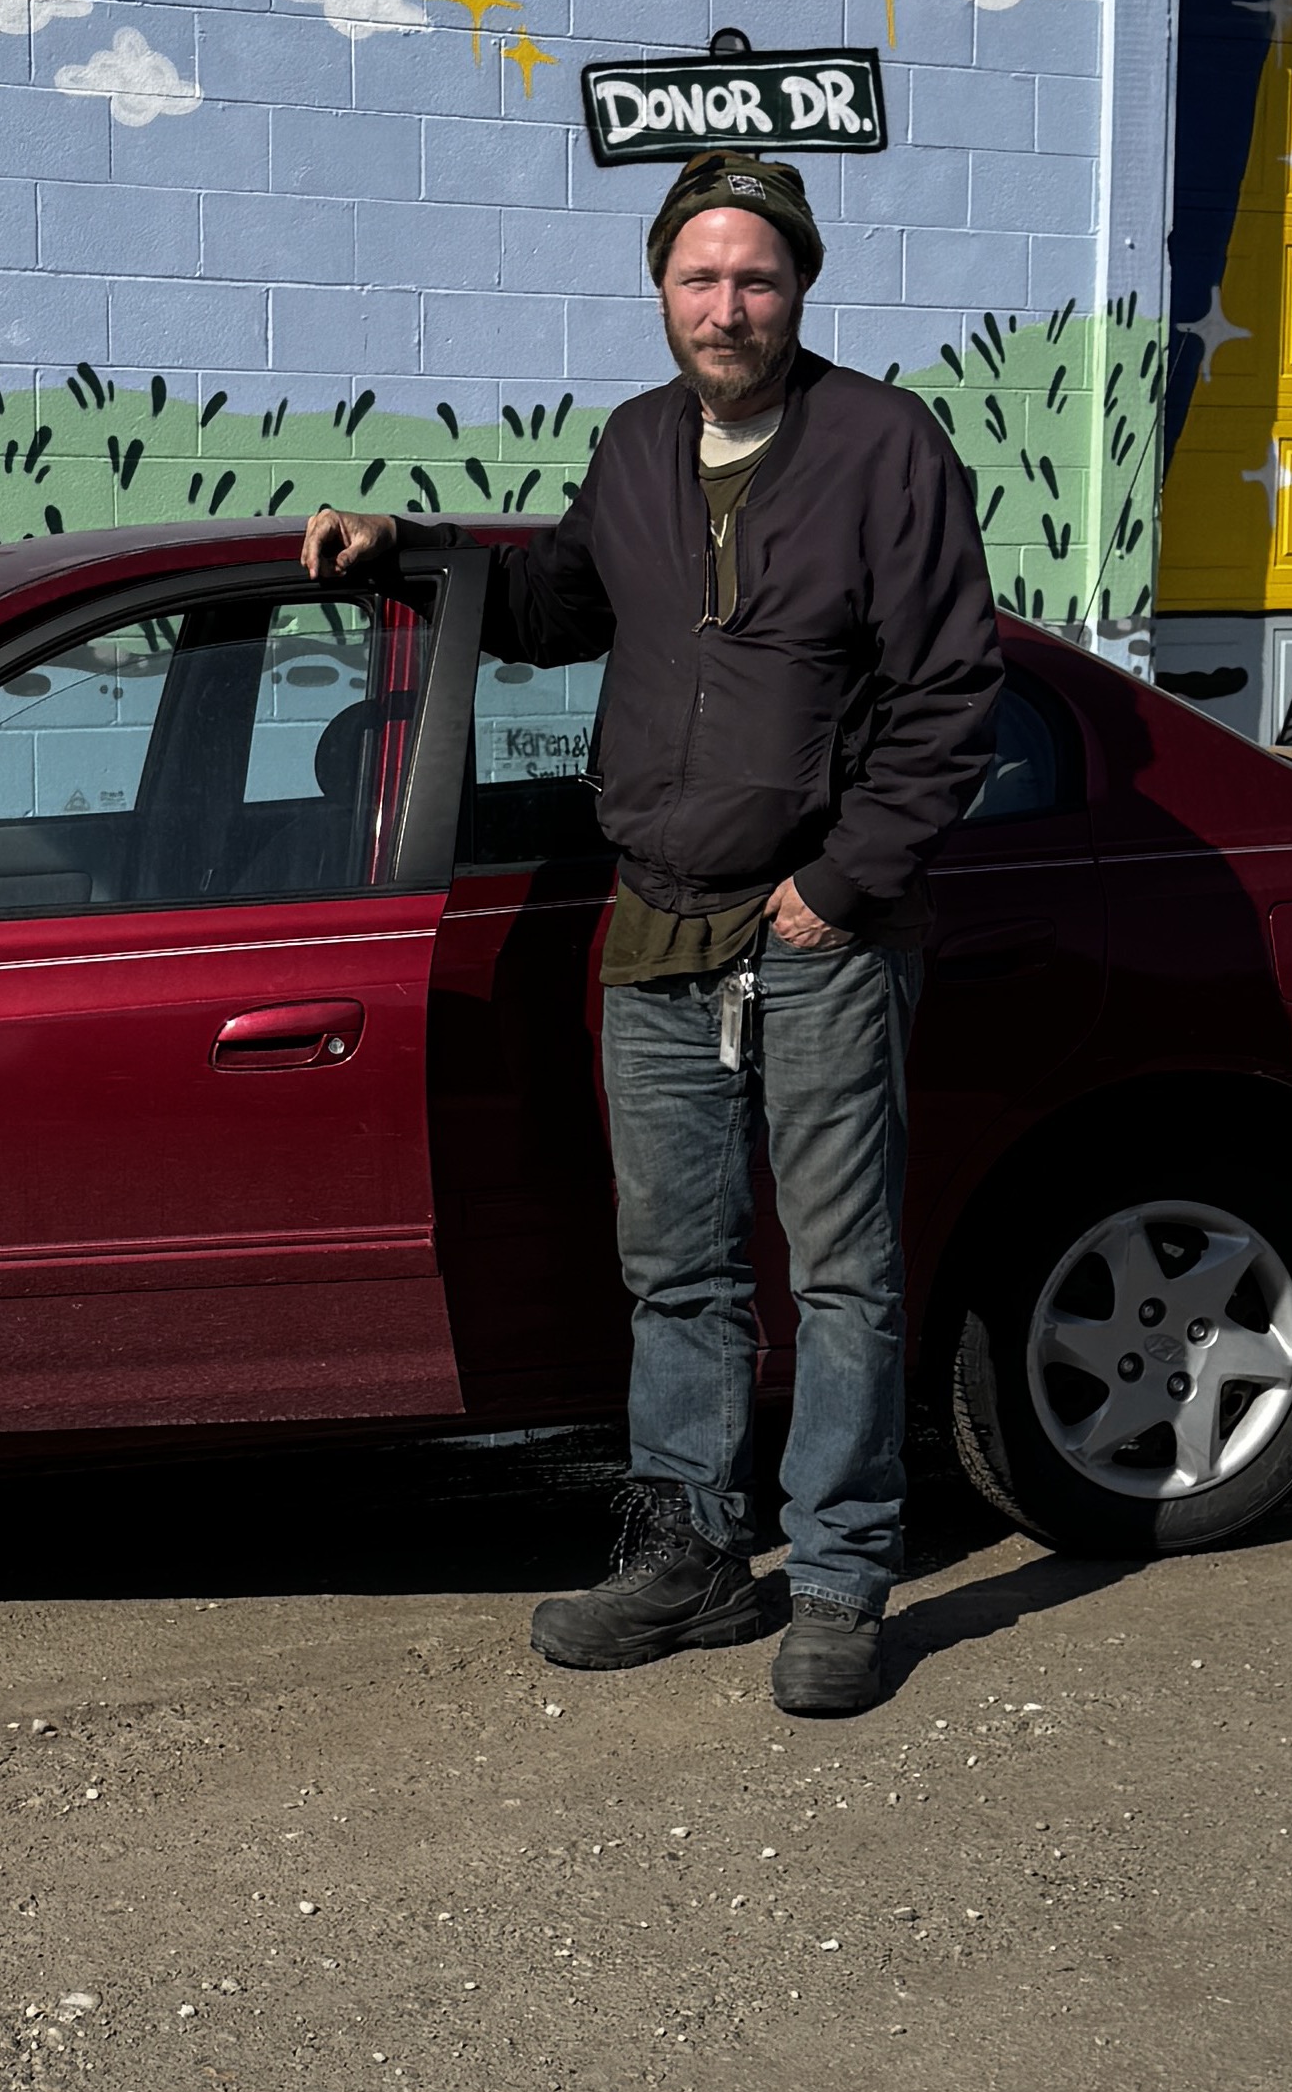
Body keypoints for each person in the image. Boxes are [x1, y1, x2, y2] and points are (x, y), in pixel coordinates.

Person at [301, 148, 997, 1718]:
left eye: (756, 276)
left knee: (842, 1277)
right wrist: (405, 550)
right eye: (700, 277)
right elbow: (554, 606)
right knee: (676, 1274)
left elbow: (952, 697)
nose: (727, 305)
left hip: (821, 931)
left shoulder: (886, 449)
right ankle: (688, 1557)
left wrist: (845, 884)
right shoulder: (632, 450)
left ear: (800, 285)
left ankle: (835, 1580)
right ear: (660, 289)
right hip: (659, 927)